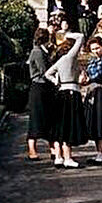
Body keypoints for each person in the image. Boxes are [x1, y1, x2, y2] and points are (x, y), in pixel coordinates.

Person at [44, 31, 87, 168]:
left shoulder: (60, 61)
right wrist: (67, 35)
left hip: (61, 92)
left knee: (60, 126)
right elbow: (80, 37)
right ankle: (68, 157)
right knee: (69, 126)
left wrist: (56, 81)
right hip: (71, 93)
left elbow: (47, 74)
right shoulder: (69, 58)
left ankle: (58, 157)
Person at [82, 36, 102, 164]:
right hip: (92, 91)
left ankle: (101, 153)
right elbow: (88, 72)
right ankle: (97, 153)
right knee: (93, 121)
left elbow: (100, 74)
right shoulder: (92, 60)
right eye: (93, 49)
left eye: (97, 48)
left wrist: (89, 79)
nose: (95, 51)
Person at [26, 27, 56, 161]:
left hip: (46, 88)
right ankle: (32, 149)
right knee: (36, 118)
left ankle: (52, 147)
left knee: (49, 117)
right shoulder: (37, 52)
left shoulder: (44, 51)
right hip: (39, 87)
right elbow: (44, 71)